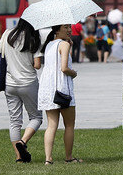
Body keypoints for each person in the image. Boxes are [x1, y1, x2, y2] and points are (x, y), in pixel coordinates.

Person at [0, 19, 43, 163]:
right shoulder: (34, 38)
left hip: (10, 84)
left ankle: (19, 157)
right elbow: (37, 65)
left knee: (15, 121)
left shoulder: (7, 34)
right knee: (36, 117)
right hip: (28, 83)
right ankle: (23, 142)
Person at [38, 24, 82, 164]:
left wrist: (69, 45)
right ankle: (68, 158)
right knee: (69, 125)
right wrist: (73, 73)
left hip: (48, 89)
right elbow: (64, 68)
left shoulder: (49, 45)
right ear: (57, 30)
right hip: (63, 89)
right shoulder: (64, 44)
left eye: (69, 27)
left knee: (51, 125)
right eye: (66, 27)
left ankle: (48, 159)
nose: (69, 30)